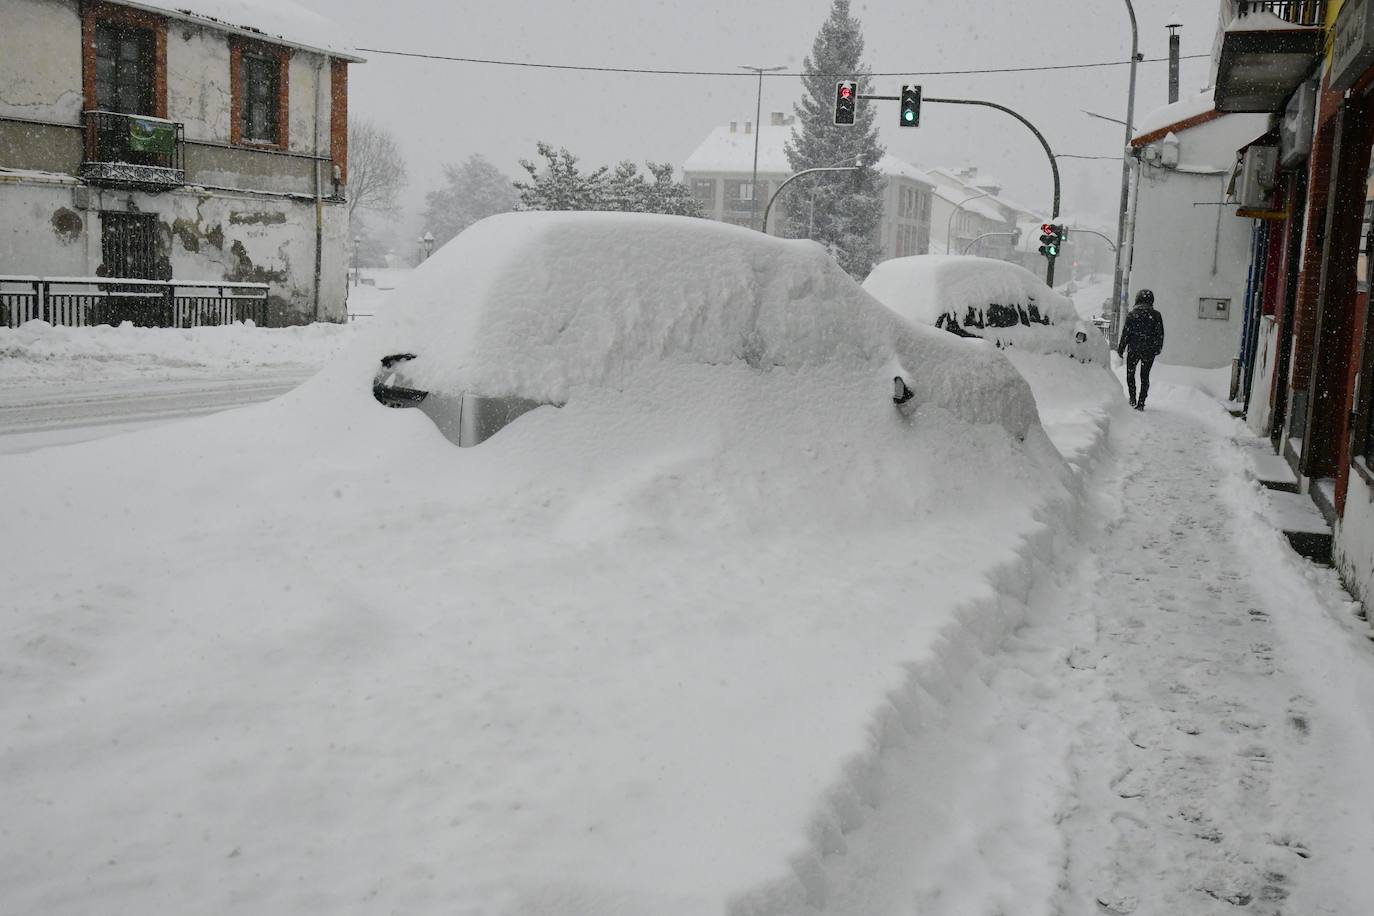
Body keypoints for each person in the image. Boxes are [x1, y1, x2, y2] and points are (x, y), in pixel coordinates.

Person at [1117, 289, 1165, 410]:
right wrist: (1157, 348)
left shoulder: (1132, 314)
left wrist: (1121, 348)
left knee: (1130, 374)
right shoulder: (1156, 315)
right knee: (1145, 376)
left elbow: (1125, 334)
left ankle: (1132, 398)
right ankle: (1141, 402)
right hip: (1149, 350)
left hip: (1134, 349)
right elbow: (1160, 334)